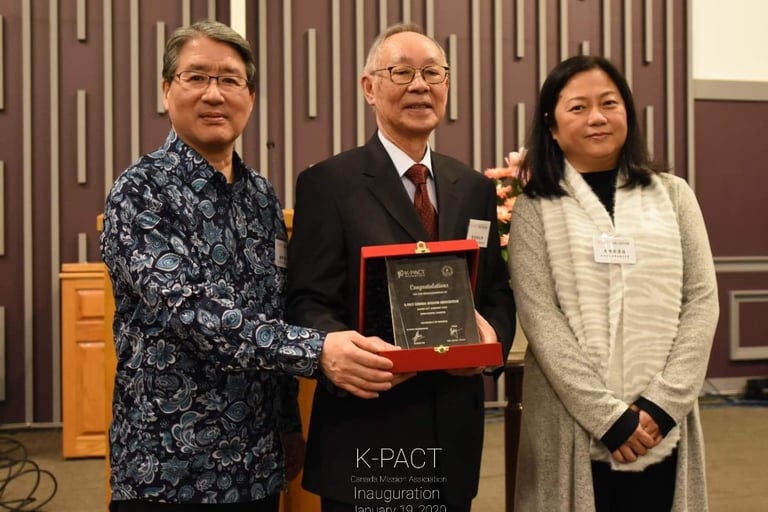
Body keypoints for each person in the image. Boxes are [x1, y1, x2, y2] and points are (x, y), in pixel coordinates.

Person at [100, 19, 397, 512]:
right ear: (166, 89)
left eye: (230, 79)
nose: (214, 94)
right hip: (168, 468)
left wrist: (288, 423)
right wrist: (318, 351)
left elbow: (274, 308)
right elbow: (190, 311)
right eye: (196, 77)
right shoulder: (140, 190)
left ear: (251, 96)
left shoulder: (260, 196)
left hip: (256, 465)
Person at [286, 23, 516, 512]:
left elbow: (495, 293)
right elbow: (307, 301)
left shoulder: (473, 187)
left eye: (433, 73)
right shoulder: (328, 183)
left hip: (452, 437)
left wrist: (490, 341)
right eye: (402, 72)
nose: (420, 86)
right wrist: (341, 351)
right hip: (365, 433)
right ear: (369, 87)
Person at [507, 55, 719, 511]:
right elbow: (540, 318)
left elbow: (702, 300)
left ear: (627, 112)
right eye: (578, 107)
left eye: (609, 103)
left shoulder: (674, 195)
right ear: (551, 125)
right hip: (570, 424)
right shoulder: (534, 208)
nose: (597, 117)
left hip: (664, 422)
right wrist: (608, 418)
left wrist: (662, 406)